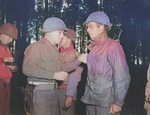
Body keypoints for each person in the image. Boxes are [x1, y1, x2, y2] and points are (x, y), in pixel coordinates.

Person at [22, 17, 85, 115]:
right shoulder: (36, 47)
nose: (62, 36)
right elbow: (27, 69)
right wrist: (53, 75)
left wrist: (78, 60)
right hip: (41, 93)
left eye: (63, 33)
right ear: (49, 32)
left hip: (53, 93)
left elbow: (61, 69)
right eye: (59, 32)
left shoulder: (55, 50)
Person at [80, 11, 131, 115]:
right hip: (90, 100)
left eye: (91, 26)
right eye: (87, 27)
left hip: (106, 102)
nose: (88, 30)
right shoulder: (94, 48)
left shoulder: (113, 46)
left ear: (102, 27)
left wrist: (118, 102)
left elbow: (122, 76)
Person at [58, 28, 83, 115]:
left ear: (69, 39)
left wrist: (69, 95)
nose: (59, 38)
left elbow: (74, 77)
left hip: (65, 91)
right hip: (55, 90)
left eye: (63, 37)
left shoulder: (75, 55)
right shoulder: (58, 52)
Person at [0, 23, 18, 115]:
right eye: (9, 37)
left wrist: (14, 68)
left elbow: (11, 65)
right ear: (2, 34)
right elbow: (3, 61)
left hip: (7, 83)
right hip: (0, 81)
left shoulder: (7, 48)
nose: (11, 40)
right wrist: (3, 60)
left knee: (5, 108)